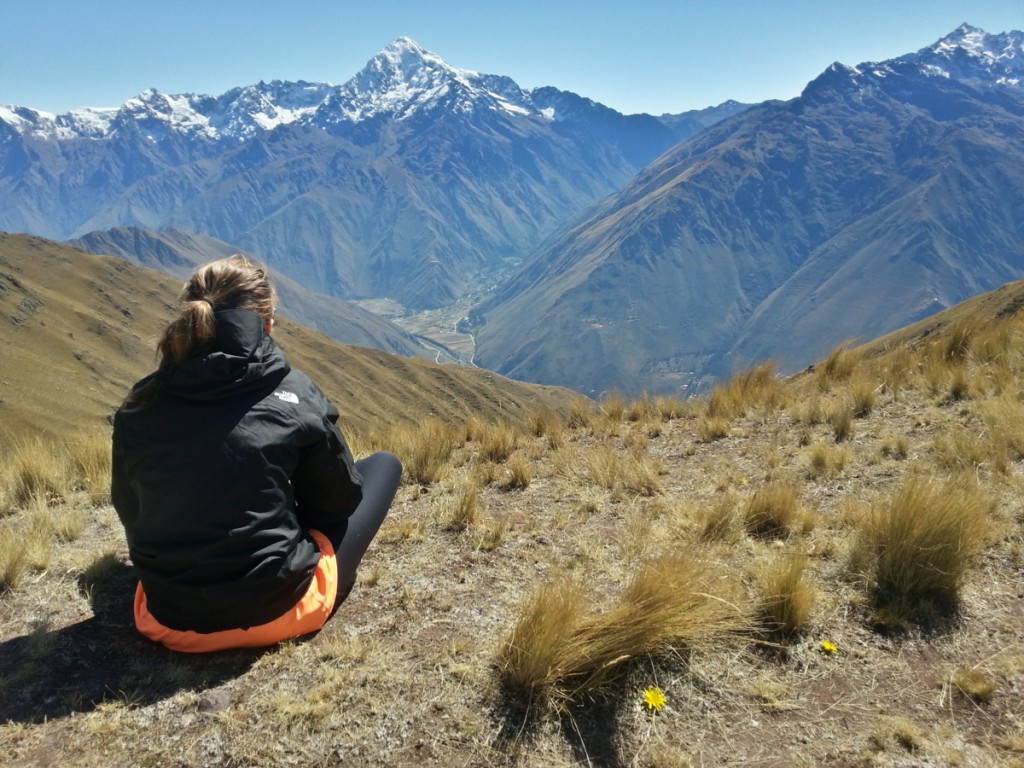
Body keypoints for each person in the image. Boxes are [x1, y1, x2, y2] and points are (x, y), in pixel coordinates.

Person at [111, 255, 401, 653]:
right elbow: (338, 503)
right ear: (266, 323)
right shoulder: (292, 392)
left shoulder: (140, 401)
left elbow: (130, 509)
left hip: (170, 618)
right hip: (278, 609)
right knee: (383, 465)